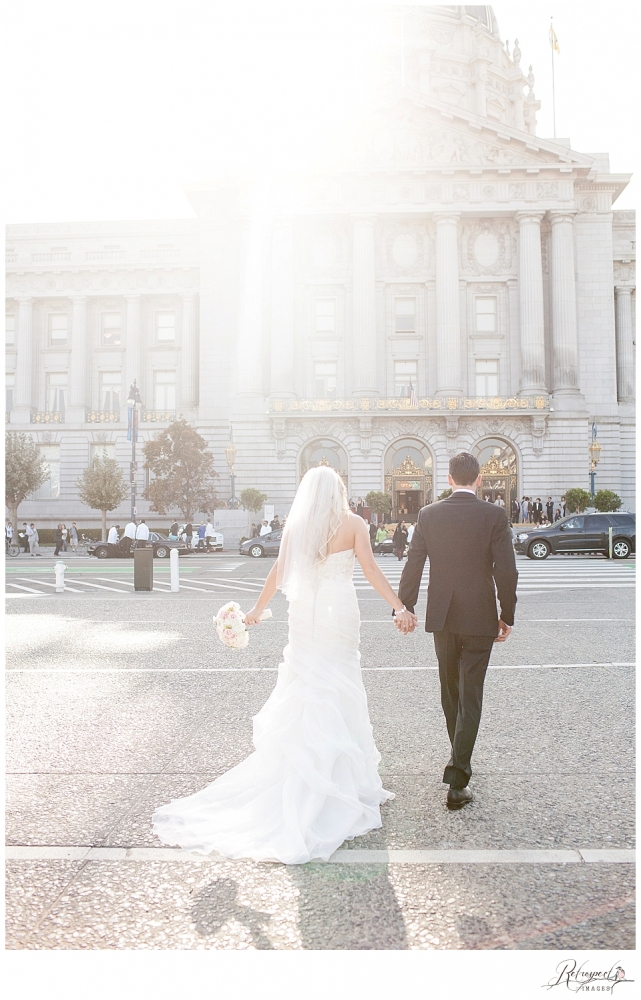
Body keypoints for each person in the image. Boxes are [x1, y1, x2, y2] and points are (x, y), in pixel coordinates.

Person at [153, 466, 415, 864]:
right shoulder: (355, 523)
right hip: (339, 612)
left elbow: (278, 570)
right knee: (340, 682)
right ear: (338, 492)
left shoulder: (297, 526)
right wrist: (398, 607)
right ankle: (345, 778)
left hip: (304, 615)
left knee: (307, 683)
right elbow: (371, 569)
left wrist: (258, 610)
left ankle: (308, 769)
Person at [398, 452, 517, 811]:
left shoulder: (428, 515)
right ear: (478, 479)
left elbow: (414, 561)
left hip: (444, 616)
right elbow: (506, 572)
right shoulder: (495, 515)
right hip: (481, 615)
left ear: (448, 479)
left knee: (450, 691)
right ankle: (458, 772)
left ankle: (459, 766)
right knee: (472, 693)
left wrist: (405, 606)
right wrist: (506, 614)